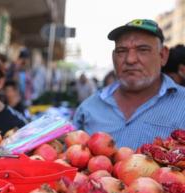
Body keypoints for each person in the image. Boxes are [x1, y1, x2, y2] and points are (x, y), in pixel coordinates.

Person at [73, 19, 185, 150]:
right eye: (121, 51)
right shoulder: (89, 109)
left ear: (163, 55)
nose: (130, 59)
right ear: (113, 56)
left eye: (143, 50)